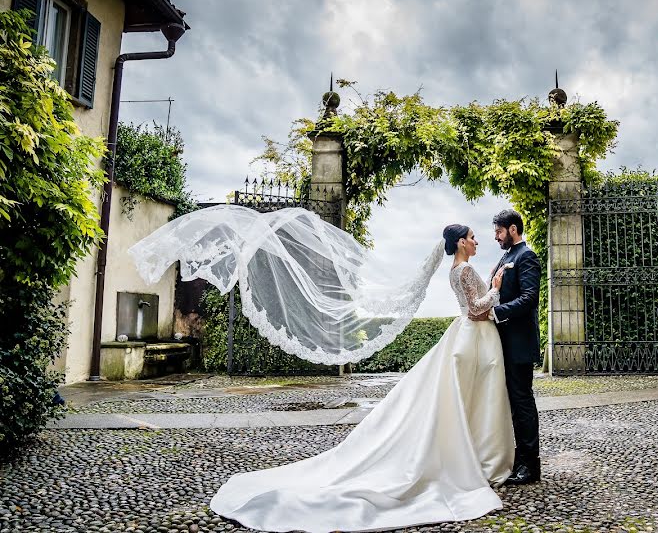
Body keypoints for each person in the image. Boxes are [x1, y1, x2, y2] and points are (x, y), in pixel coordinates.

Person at [207, 223, 516, 533]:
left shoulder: (460, 268)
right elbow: (475, 309)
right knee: (472, 400)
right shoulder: (462, 270)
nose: (477, 242)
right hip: (473, 334)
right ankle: (475, 461)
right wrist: (496, 287)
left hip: (470, 336)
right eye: (473, 237)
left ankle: (472, 455)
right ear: (461, 242)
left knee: (465, 401)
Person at [469, 209, 541, 485]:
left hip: (519, 344)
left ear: (513, 229)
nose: (496, 237)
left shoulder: (526, 256)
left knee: (522, 402)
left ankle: (530, 466)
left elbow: (530, 299)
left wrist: (495, 313)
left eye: (499, 231)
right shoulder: (505, 257)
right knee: (512, 403)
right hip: (504, 343)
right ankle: (517, 460)